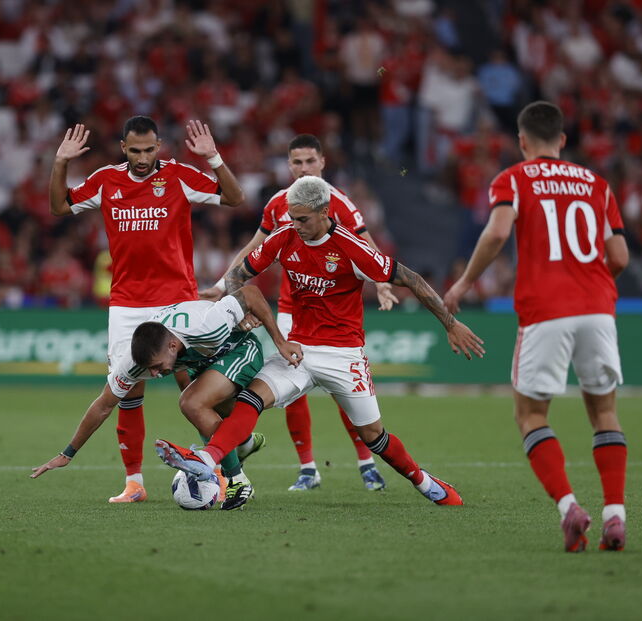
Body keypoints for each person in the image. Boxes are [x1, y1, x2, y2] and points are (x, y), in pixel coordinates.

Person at [156, 176, 484, 507]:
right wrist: (239, 309)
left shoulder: (352, 248)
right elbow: (239, 273)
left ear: (324, 212)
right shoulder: (284, 237)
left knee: (373, 436)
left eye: (303, 219)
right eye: (292, 218)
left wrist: (450, 323)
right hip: (299, 350)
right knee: (251, 399)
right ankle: (207, 460)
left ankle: (424, 482)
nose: (295, 226)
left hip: (344, 355)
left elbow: (411, 278)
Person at [444, 101, 629, 552]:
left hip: (546, 309)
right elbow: (620, 257)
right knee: (604, 413)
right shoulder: (597, 184)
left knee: (530, 415)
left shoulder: (513, 179)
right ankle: (615, 515)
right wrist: (590, 286)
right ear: (562, 139)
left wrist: (465, 283)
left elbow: (497, 232)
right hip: (598, 309)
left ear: (522, 140)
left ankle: (569, 508)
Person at [49, 116, 245, 503]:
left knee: (194, 389)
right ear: (123, 147)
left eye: (149, 150)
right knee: (127, 389)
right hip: (127, 304)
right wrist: (61, 162)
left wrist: (214, 158)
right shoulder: (106, 180)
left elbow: (234, 198)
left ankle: (226, 472)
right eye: (135, 150)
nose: (142, 158)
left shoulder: (179, 176)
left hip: (177, 298)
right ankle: (134, 483)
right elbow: (59, 206)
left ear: (159, 146)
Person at [201, 134, 398, 492]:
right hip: (292, 309)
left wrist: (382, 284)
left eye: (310, 161)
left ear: (322, 162)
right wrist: (221, 284)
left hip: (334, 312)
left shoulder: (338, 203)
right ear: (289, 165)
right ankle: (308, 468)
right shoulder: (278, 203)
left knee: (342, 389)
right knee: (290, 389)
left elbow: (367, 246)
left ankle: (366, 462)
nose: (304, 168)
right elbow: (254, 247)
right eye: (297, 162)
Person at [30, 284, 303, 510]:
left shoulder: (207, 326)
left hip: (239, 349)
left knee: (192, 402)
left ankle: (237, 480)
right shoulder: (134, 363)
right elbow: (103, 405)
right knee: (212, 411)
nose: (155, 374)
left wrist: (280, 342)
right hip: (206, 363)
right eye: (150, 369)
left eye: (158, 366)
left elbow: (251, 293)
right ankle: (242, 443)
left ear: (173, 345)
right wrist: (67, 453)